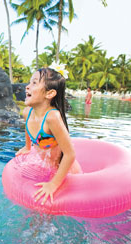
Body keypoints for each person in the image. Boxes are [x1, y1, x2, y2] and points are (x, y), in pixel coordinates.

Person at [16, 68, 82, 205]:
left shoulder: (52, 117)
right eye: (29, 82)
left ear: (50, 93)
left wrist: (53, 184)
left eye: (34, 83)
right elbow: (28, 129)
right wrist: (27, 147)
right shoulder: (27, 112)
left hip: (66, 172)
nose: (27, 86)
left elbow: (70, 154)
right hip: (47, 168)